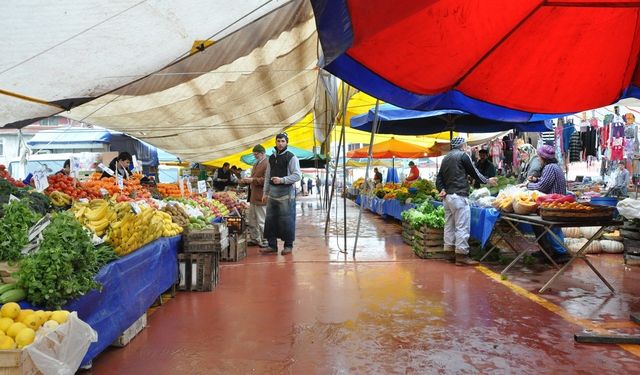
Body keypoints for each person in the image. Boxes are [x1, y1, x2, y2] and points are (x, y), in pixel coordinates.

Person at [436, 137, 497, 265]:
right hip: (459, 196)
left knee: (449, 225)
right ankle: (461, 256)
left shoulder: (445, 158)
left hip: (447, 198)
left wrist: (441, 189)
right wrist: (487, 180)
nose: (466, 147)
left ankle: (448, 252)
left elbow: (439, 178)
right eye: (466, 145)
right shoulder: (463, 156)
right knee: (462, 226)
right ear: (462, 145)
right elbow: (474, 172)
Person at [525, 145, 570, 264]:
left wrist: (528, 186)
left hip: (554, 205)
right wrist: (535, 180)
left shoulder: (549, 168)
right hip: (555, 204)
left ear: (543, 158)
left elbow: (542, 187)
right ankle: (547, 250)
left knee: (552, 229)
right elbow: (544, 182)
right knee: (544, 227)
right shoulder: (554, 167)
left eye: (539, 157)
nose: (538, 159)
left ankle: (561, 253)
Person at [261, 132, 301, 255]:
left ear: (287, 142)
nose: (280, 143)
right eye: (278, 141)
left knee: (286, 219)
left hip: (286, 193)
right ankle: (272, 245)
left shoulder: (291, 157)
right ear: (275, 142)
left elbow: (297, 175)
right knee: (270, 219)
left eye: (283, 141)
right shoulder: (271, 158)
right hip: (272, 193)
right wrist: (265, 193)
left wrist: (282, 180)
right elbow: (268, 176)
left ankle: (288, 245)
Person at [240, 145, 269, 248]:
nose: (255, 156)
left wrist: (253, 180)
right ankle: (254, 238)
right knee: (252, 220)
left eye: (256, 154)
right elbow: (254, 177)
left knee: (262, 220)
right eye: (254, 154)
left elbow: (267, 180)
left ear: (262, 153)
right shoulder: (256, 163)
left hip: (261, 196)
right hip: (253, 196)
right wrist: (247, 180)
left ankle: (265, 240)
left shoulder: (267, 163)